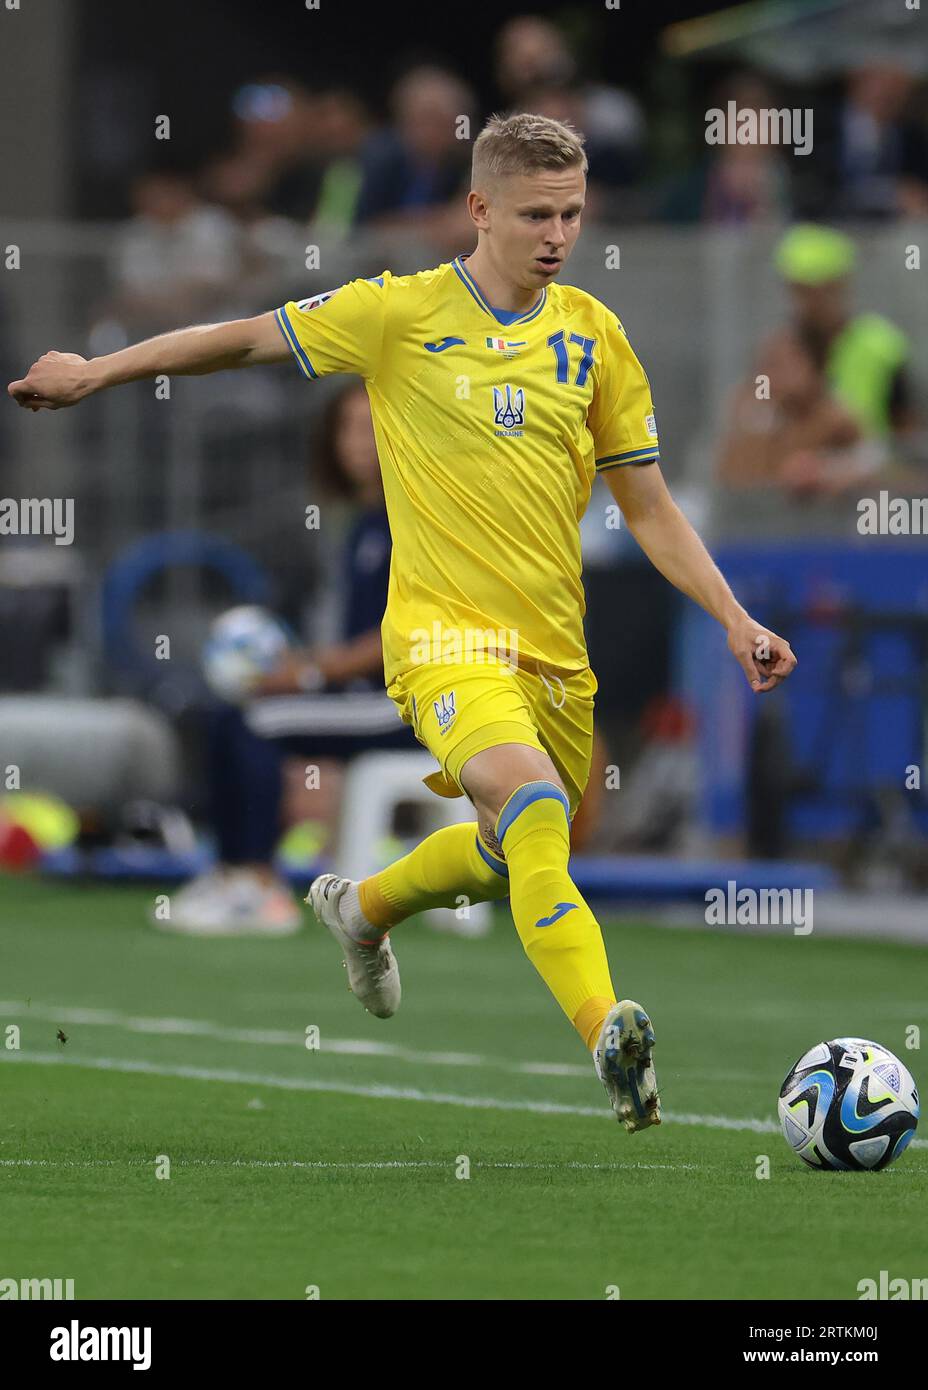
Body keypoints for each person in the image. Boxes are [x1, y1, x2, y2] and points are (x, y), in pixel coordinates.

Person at [9, 112, 798, 1136]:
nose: (556, 234)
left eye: (570, 213)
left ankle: (367, 905)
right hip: (439, 642)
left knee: (512, 846)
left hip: (555, 657)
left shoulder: (593, 335)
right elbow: (242, 337)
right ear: (478, 209)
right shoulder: (398, 312)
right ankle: (608, 1030)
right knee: (536, 811)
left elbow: (645, 503)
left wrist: (732, 616)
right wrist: (97, 371)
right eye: (533, 215)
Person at [167, 382, 415, 936]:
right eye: (348, 429)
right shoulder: (364, 524)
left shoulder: (413, 518)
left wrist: (305, 673)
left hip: (402, 705)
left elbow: (398, 640)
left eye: (372, 427)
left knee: (255, 721)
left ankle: (261, 885)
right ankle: (232, 872)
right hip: (358, 697)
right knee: (229, 714)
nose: (360, 443)